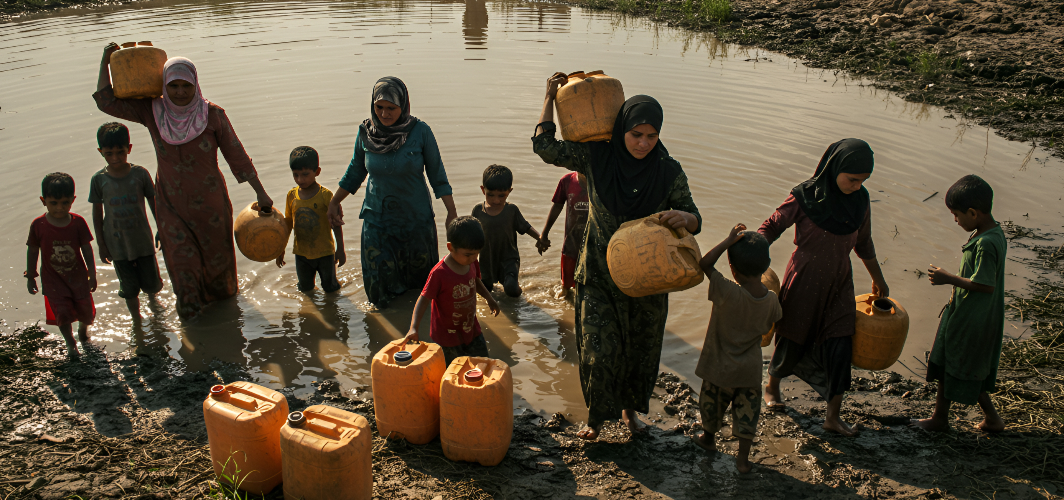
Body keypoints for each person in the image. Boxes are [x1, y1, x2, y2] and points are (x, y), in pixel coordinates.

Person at [533, 73, 702, 440]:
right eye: (635, 134)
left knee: (639, 352)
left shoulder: (668, 170)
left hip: (647, 281)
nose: (643, 143)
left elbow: (694, 216)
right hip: (597, 274)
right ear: (621, 128)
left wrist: (685, 218)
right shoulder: (597, 156)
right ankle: (595, 419)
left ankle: (630, 414)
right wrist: (549, 97)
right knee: (597, 350)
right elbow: (545, 147)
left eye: (651, 136)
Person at [94, 43, 275, 319]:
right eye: (173, 86)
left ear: (196, 84)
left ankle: (226, 329)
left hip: (211, 208)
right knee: (182, 268)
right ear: (164, 86)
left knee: (221, 281)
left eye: (186, 86)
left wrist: (260, 193)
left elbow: (237, 156)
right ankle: (193, 330)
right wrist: (106, 62)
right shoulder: (152, 112)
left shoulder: (212, 115)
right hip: (171, 206)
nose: (180, 92)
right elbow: (106, 101)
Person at [758, 138, 889, 437]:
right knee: (792, 337)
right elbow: (772, 226)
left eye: (863, 181)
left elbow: (864, 242)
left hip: (840, 283)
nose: (857, 186)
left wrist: (878, 278)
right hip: (804, 278)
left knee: (841, 345)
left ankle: (833, 416)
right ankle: (772, 386)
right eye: (853, 179)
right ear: (835, 169)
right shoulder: (804, 196)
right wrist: (753, 254)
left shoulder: (860, 200)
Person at [327, 76, 458, 309]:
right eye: (379, 107)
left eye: (391, 108)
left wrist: (451, 212)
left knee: (421, 289)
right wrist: (334, 201)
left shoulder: (420, 132)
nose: (384, 114)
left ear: (404, 106)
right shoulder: (366, 132)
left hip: (415, 220)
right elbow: (355, 172)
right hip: (377, 219)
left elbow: (437, 175)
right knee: (378, 288)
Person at [912, 175, 1006, 433]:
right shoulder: (991, 233)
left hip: (972, 318)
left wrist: (948, 278)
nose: (955, 220)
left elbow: (986, 285)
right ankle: (951, 417)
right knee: (953, 363)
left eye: (956, 215)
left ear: (973, 213)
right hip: (968, 313)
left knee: (959, 365)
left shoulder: (986, 244)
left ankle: (945, 419)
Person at [693, 224, 782, 473]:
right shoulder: (772, 299)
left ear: (732, 268)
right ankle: (742, 461)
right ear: (767, 266)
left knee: (712, 405)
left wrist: (727, 241)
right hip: (749, 371)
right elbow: (773, 322)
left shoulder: (726, 291)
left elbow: (704, 264)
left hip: (718, 367)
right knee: (747, 414)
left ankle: (708, 440)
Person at [89, 122, 163, 319]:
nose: (115, 158)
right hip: (117, 245)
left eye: (120, 152)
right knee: (129, 288)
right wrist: (101, 244)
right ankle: (136, 319)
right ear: (101, 152)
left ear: (129, 149)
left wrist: (161, 229)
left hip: (143, 241)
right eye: (109, 153)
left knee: (151, 283)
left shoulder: (140, 174)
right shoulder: (99, 180)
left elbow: (154, 203)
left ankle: (154, 307)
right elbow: (97, 215)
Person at [404, 216, 500, 365]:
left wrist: (490, 299)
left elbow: (475, 281)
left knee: (482, 364)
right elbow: (423, 299)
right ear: (450, 247)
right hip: (447, 338)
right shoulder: (439, 273)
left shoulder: (473, 263)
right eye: (468, 254)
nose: (473, 258)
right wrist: (413, 328)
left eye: (477, 253)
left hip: (471, 329)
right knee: (453, 371)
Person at [26, 173, 98, 358]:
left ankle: (83, 333)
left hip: (78, 278)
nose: (60, 208)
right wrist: (31, 276)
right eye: (54, 203)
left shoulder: (78, 223)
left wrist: (92, 273)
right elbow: (33, 251)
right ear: (44, 201)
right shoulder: (38, 225)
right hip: (53, 280)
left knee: (86, 311)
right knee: (62, 314)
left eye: (65, 203)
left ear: (73, 200)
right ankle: (70, 343)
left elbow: (87, 249)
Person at [275, 146, 347, 293]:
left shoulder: (326, 196)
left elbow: (336, 225)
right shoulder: (291, 196)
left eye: (305, 174)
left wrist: (340, 249)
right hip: (301, 254)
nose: (300, 179)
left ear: (317, 172)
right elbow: (288, 224)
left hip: (325, 254)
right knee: (305, 289)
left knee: (331, 289)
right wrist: (280, 249)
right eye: (295, 175)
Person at [471, 164, 543, 298]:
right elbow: (471, 234)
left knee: (511, 289)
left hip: (509, 258)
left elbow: (525, 226)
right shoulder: (478, 211)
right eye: (490, 195)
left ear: (509, 191)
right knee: (484, 289)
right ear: (483, 190)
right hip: (487, 259)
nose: (496, 200)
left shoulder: (511, 211)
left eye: (501, 195)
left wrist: (540, 238)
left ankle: (523, 296)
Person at [537, 172, 589, 292]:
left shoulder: (601, 181)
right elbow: (557, 206)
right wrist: (544, 234)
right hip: (572, 241)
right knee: (566, 288)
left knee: (589, 286)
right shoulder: (567, 181)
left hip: (594, 240)